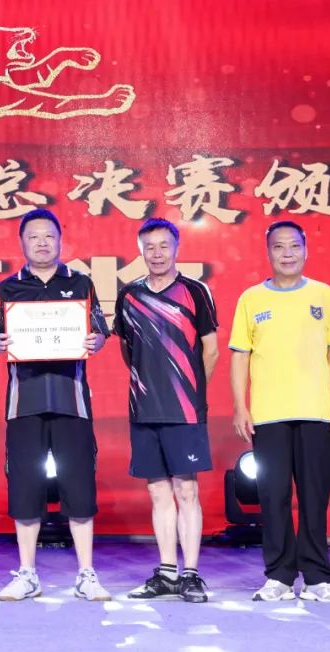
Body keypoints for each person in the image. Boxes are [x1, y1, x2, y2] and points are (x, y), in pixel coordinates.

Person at [0, 208, 112, 602]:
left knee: (80, 489)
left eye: (49, 236)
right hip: (24, 404)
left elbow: (101, 332)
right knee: (25, 489)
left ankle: (86, 574)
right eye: (34, 236)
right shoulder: (8, 289)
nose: (42, 243)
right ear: (22, 243)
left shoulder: (81, 282)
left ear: (60, 241)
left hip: (72, 402)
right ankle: (28, 574)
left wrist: (96, 342)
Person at [229, 220, 330, 602]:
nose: (287, 253)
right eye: (279, 247)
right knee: (273, 497)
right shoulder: (251, 299)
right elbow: (240, 356)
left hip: (316, 412)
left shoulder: (323, 295)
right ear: (268, 253)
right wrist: (240, 406)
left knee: (315, 496)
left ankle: (316, 578)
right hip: (268, 415)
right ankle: (279, 576)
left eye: (294, 246)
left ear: (305, 250)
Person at [113, 218, 219, 603]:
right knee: (158, 492)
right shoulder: (129, 295)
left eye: (164, 246)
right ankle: (167, 572)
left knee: (186, 490)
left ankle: (191, 574)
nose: (157, 253)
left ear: (176, 248)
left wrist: (190, 390)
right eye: (150, 247)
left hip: (184, 410)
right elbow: (127, 349)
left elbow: (210, 350)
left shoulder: (195, 291)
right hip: (144, 409)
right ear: (140, 250)